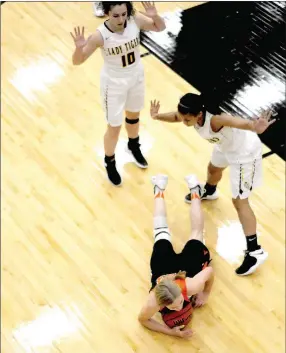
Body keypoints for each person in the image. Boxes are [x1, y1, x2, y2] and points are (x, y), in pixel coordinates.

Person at [149, 94, 275, 276]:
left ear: (199, 115)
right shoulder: (190, 115)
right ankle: (209, 191)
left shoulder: (216, 120)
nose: (183, 122)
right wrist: (157, 116)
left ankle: (255, 251)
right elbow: (176, 117)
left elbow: (233, 121)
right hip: (226, 146)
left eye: (187, 120)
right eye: (183, 118)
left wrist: (253, 126)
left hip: (244, 154)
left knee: (240, 202)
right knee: (213, 169)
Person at [71, 2, 166, 186]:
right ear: (107, 13)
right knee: (114, 127)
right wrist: (78, 48)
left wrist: (154, 15)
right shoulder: (100, 35)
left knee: (134, 116)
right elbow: (77, 61)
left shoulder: (134, 19)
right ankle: (110, 161)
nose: (121, 19)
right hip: (113, 84)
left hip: (135, 75)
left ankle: (133, 145)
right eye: (116, 16)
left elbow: (160, 27)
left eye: (123, 14)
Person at [138, 174, 214, 338]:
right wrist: (172, 333)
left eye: (179, 302)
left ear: (181, 291)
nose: (179, 308)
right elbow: (143, 319)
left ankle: (194, 190)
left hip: (178, 271)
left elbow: (210, 272)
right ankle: (159, 187)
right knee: (162, 232)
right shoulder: (153, 302)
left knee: (195, 233)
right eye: (173, 307)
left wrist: (205, 293)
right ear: (161, 302)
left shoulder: (192, 285)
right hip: (167, 269)